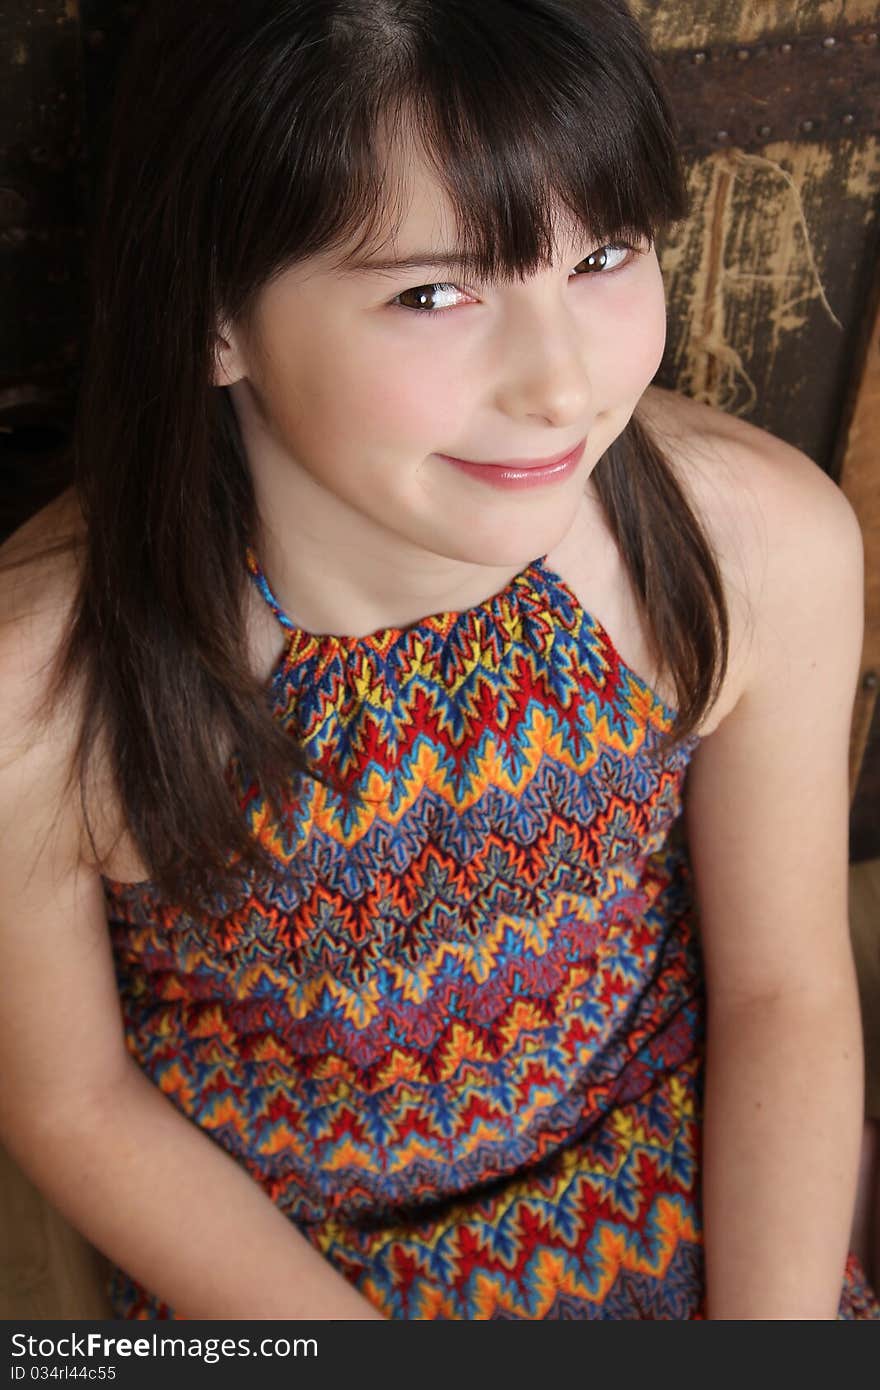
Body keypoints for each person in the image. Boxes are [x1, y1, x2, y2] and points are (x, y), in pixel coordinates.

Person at [0, 0, 877, 1321]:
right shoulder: (42, 692)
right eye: (434, 291)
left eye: (606, 256)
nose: (564, 384)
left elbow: (786, 986)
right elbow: (72, 1102)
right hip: (278, 1268)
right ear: (214, 316)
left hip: (687, 1186)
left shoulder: (755, 545)